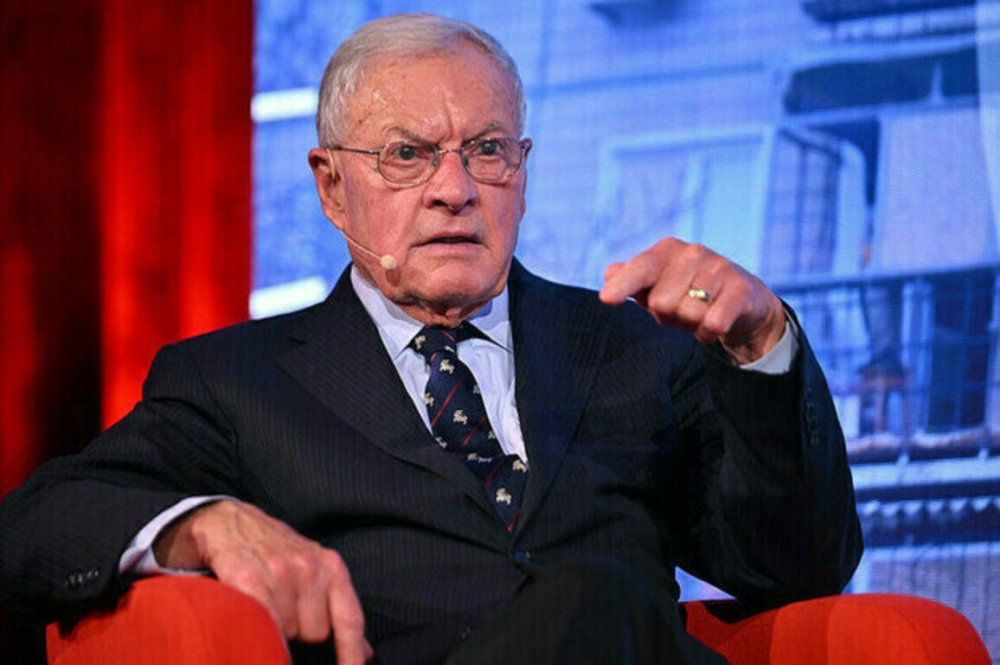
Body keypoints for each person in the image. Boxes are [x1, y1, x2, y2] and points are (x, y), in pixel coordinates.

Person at [0, 13, 862, 665]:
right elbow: (34, 525)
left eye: (486, 149)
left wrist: (761, 344)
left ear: (522, 173)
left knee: (602, 604)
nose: (455, 189)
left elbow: (798, 569)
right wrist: (201, 522)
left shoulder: (635, 345)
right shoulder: (235, 381)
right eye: (407, 154)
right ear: (332, 188)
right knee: (597, 593)